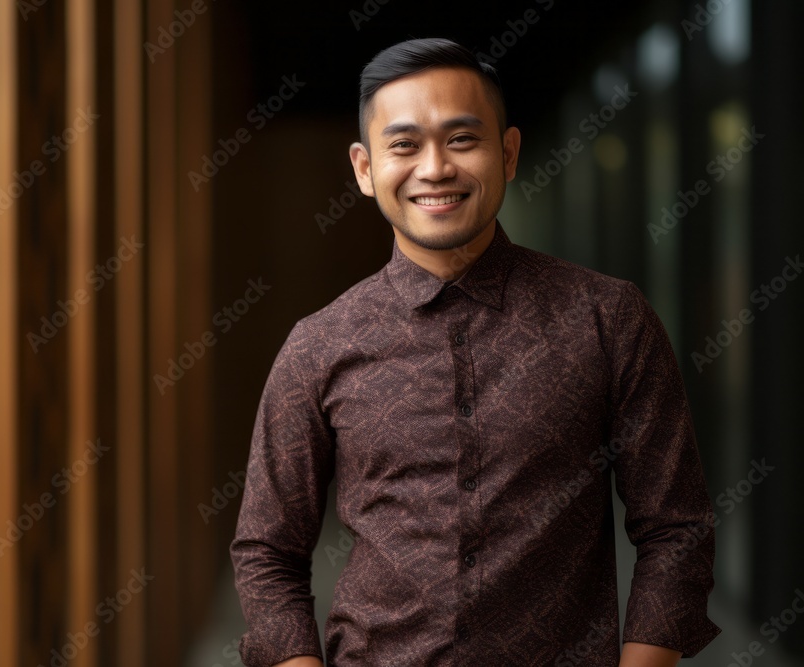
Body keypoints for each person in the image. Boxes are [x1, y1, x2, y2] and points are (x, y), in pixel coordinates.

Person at [230, 37, 720, 667]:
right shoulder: (319, 345)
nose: (435, 168)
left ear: (508, 152)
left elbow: (677, 528)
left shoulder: (609, 319)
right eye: (404, 145)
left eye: (462, 139)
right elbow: (267, 551)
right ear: (364, 168)